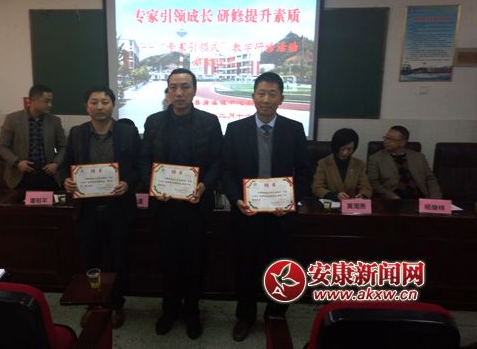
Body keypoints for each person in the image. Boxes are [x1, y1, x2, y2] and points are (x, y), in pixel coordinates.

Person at [221, 72, 311, 342]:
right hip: (246, 213)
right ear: (253, 97)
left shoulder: (294, 129)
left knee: (279, 268)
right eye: (261, 93)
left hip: (280, 215)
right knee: (245, 267)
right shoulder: (235, 130)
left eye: (272, 94)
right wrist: (236, 198)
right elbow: (226, 171)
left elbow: (304, 173)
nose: (266, 99)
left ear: (281, 98)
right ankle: (245, 316)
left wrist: (291, 201)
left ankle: (275, 314)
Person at [139, 68, 222, 340]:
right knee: (168, 262)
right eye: (173, 87)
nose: (179, 93)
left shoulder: (209, 122)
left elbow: (217, 162)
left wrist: (204, 185)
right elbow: (144, 160)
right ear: (168, 91)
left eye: (185, 87)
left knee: (195, 263)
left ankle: (192, 311)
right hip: (164, 207)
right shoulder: (154, 122)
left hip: (196, 207)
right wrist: (153, 186)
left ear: (194, 90)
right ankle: (169, 310)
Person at [59, 86, 140, 329]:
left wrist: (129, 183)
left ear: (113, 105)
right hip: (87, 210)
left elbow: (139, 166)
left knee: (119, 260)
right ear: (87, 107)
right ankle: (94, 303)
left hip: (119, 208)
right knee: (91, 260)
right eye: (94, 102)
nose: (100, 106)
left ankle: (115, 304)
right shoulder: (77, 133)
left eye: (105, 102)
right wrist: (65, 180)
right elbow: (65, 165)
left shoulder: (128, 132)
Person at [0, 84, 66, 190]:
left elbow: (63, 146)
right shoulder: (12, 119)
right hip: (21, 175)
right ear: (33, 100)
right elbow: (2, 146)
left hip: (48, 174)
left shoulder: (54, 121)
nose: (50, 105)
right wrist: (17, 162)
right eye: (46, 101)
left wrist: (56, 164)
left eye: (51, 101)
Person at [368, 125, 441, 199]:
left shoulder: (419, 157)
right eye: (386, 138)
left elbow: (430, 178)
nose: (386, 141)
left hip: (419, 197)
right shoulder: (375, 158)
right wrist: (390, 195)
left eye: (392, 139)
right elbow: (374, 182)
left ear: (403, 142)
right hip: (393, 198)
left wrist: (435, 197)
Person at [312, 128, 372, 201]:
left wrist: (362, 195)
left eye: (349, 149)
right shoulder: (323, 163)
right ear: (336, 147)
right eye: (342, 149)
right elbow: (317, 188)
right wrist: (335, 195)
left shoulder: (359, 164)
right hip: (331, 204)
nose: (345, 153)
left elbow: (366, 187)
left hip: (352, 204)